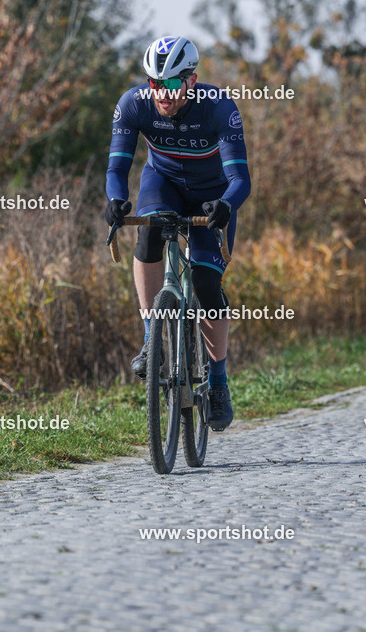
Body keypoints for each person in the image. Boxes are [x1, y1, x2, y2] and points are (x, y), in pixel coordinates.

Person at [103, 35, 251, 432]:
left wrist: (225, 206)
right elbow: (117, 170)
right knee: (148, 235)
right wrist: (116, 200)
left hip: (212, 195)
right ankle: (152, 337)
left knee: (205, 282)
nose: (162, 93)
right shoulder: (132, 104)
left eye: (170, 84)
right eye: (154, 83)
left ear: (192, 80)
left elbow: (241, 179)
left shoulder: (219, 108)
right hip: (163, 182)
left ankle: (218, 381)